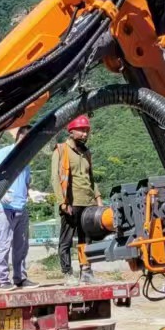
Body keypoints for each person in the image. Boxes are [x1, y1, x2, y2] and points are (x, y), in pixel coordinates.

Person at [51, 115, 101, 281]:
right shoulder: (61, 150)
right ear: (71, 131)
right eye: (81, 130)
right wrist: (62, 202)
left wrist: (98, 199)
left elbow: (91, 178)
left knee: (86, 239)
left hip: (88, 202)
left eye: (87, 131)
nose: (85, 134)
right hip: (71, 203)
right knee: (66, 240)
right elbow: (55, 178)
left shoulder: (87, 153)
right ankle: (67, 273)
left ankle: (86, 271)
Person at [0, 127, 31, 289]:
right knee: (4, 244)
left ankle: (20, 277)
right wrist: (1, 193)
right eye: (24, 138)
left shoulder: (27, 158)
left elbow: (26, 182)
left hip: (21, 206)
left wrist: (31, 193)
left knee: (21, 245)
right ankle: (3, 279)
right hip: (6, 207)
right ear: (18, 137)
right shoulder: (4, 153)